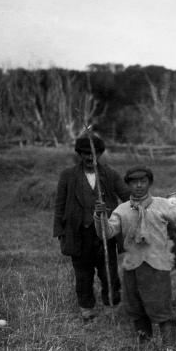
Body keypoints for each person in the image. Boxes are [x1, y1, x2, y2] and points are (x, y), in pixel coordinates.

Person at [95, 166, 176, 351]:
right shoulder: (122, 210)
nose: (139, 186)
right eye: (134, 182)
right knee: (135, 307)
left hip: (157, 265)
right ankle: (145, 344)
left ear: (149, 183)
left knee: (160, 305)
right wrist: (99, 216)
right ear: (128, 185)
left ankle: (169, 347)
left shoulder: (162, 204)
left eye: (143, 181)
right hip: (132, 266)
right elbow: (107, 232)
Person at [53, 134, 130, 320]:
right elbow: (60, 205)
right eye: (86, 153)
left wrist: (117, 211)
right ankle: (87, 309)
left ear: (101, 154)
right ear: (79, 154)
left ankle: (112, 307)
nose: (90, 158)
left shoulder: (110, 174)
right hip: (78, 235)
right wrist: (61, 233)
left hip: (105, 233)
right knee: (83, 275)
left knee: (109, 273)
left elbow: (127, 197)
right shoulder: (68, 176)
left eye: (94, 154)